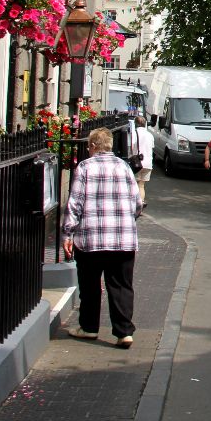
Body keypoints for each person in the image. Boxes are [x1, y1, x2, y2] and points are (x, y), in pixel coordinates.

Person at [63, 127, 140, 349]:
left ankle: (89, 327)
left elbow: (75, 203)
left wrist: (68, 232)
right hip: (122, 240)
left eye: (88, 146)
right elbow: (136, 203)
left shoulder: (85, 167)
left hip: (91, 239)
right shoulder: (124, 167)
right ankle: (124, 332)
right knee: (121, 285)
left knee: (90, 285)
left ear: (94, 146)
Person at [132, 116, 154, 208]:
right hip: (148, 163)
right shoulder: (150, 135)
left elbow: (131, 147)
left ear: (135, 123)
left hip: (137, 163)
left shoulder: (134, 133)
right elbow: (152, 148)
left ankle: (135, 206)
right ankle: (141, 204)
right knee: (141, 185)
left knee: (134, 185)